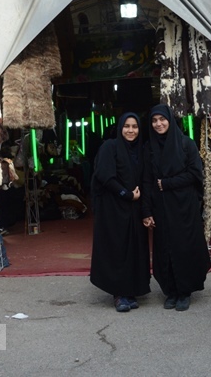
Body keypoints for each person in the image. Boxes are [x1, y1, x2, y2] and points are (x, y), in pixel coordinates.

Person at [142, 103, 211, 311]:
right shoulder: (149, 148)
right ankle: (170, 291)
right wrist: (146, 211)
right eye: (154, 120)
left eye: (162, 119)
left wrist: (167, 183)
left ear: (170, 120)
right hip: (161, 207)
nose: (158, 124)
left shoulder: (186, 144)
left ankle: (185, 291)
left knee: (184, 246)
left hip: (184, 207)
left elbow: (195, 174)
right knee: (164, 248)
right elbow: (146, 180)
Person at [89, 112, 151, 312]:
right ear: (120, 128)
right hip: (113, 209)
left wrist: (144, 209)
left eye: (135, 126)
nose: (131, 130)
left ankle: (130, 290)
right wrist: (126, 194)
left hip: (133, 210)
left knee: (134, 249)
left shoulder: (141, 151)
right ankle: (119, 294)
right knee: (117, 249)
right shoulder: (110, 147)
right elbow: (104, 175)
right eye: (127, 126)